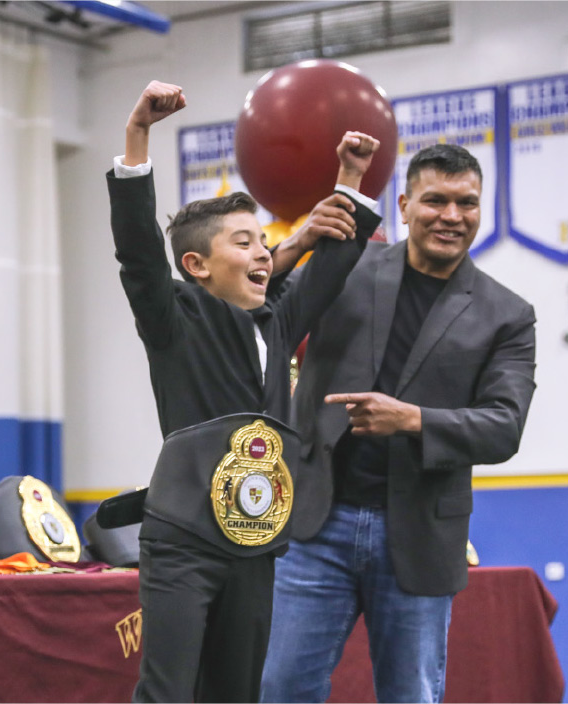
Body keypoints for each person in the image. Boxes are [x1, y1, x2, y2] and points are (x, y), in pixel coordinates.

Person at [107, 80, 383, 703]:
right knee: (168, 693)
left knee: (236, 695)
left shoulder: (278, 323)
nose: (264, 251)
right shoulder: (173, 318)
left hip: (256, 542)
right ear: (197, 267)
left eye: (264, 241)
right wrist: (137, 136)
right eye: (244, 242)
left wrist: (349, 178)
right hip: (181, 540)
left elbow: (331, 268)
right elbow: (139, 255)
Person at [260, 144, 538, 703]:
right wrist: (296, 243)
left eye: (467, 203)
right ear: (406, 206)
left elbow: (504, 428)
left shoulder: (507, 314)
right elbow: (258, 316)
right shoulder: (350, 264)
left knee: (411, 695)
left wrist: (410, 419)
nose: (451, 216)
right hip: (317, 520)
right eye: (435, 200)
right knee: (280, 688)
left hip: (418, 534)